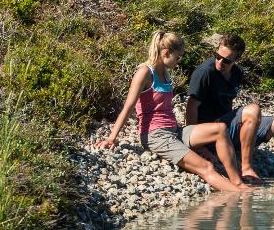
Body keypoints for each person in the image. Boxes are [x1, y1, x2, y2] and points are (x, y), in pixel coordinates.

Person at [95, 31, 253, 192]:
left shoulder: (164, 73)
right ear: (166, 53)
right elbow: (129, 106)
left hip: (175, 131)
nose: (179, 61)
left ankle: (238, 182)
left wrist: (198, 146)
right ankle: (242, 196)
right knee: (206, 166)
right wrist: (112, 138)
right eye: (178, 57)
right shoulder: (144, 72)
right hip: (156, 135)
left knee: (220, 129)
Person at [186, 33, 274, 182]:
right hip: (209, 134)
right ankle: (247, 168)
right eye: (217, 56)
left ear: (236, 60)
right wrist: (197, 146)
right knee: (253, 110)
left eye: (226, 60)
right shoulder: (205, 72)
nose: (220, 62)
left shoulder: (237, 73)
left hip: (227, 130)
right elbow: (191, 106)